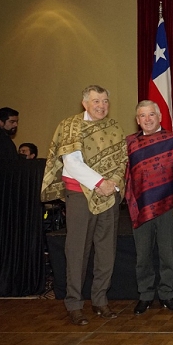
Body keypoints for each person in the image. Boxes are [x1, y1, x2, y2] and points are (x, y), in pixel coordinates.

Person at [40, 85, 127, 326]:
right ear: (85, 103)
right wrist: (100, 182)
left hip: (109, 196)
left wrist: (114, 184)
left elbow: (122, 159)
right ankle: (74, 304)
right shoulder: (71, 126)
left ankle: (100, 300)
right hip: (80, 195)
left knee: (106, 251)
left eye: (105, 101)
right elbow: (72, 164)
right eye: (96, 101)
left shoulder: (114, 127)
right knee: (78, 251)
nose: (102, 106)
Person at [124, 100, 173, 315]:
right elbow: (125, 176)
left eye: (151, 114)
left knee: (167, 254)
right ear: (137, 120)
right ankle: (145, 295)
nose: (147, 119)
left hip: (169, 207)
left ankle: (167, 294)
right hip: (141, 206)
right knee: (142, 255)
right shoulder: (129, 143)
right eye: (142, 116)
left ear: (160, 116)